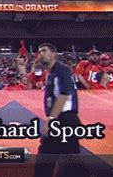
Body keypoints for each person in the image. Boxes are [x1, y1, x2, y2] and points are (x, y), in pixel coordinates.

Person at [34, 43, 87, 177]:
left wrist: (51, 119)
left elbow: (65, 94)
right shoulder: (50, 73)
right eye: (39, 52)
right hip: (60, 119)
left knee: (65, 158)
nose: (40, 54)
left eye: (44, 51)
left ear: (53, 54)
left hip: (65, 118)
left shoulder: (62, 69)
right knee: (50, 156)